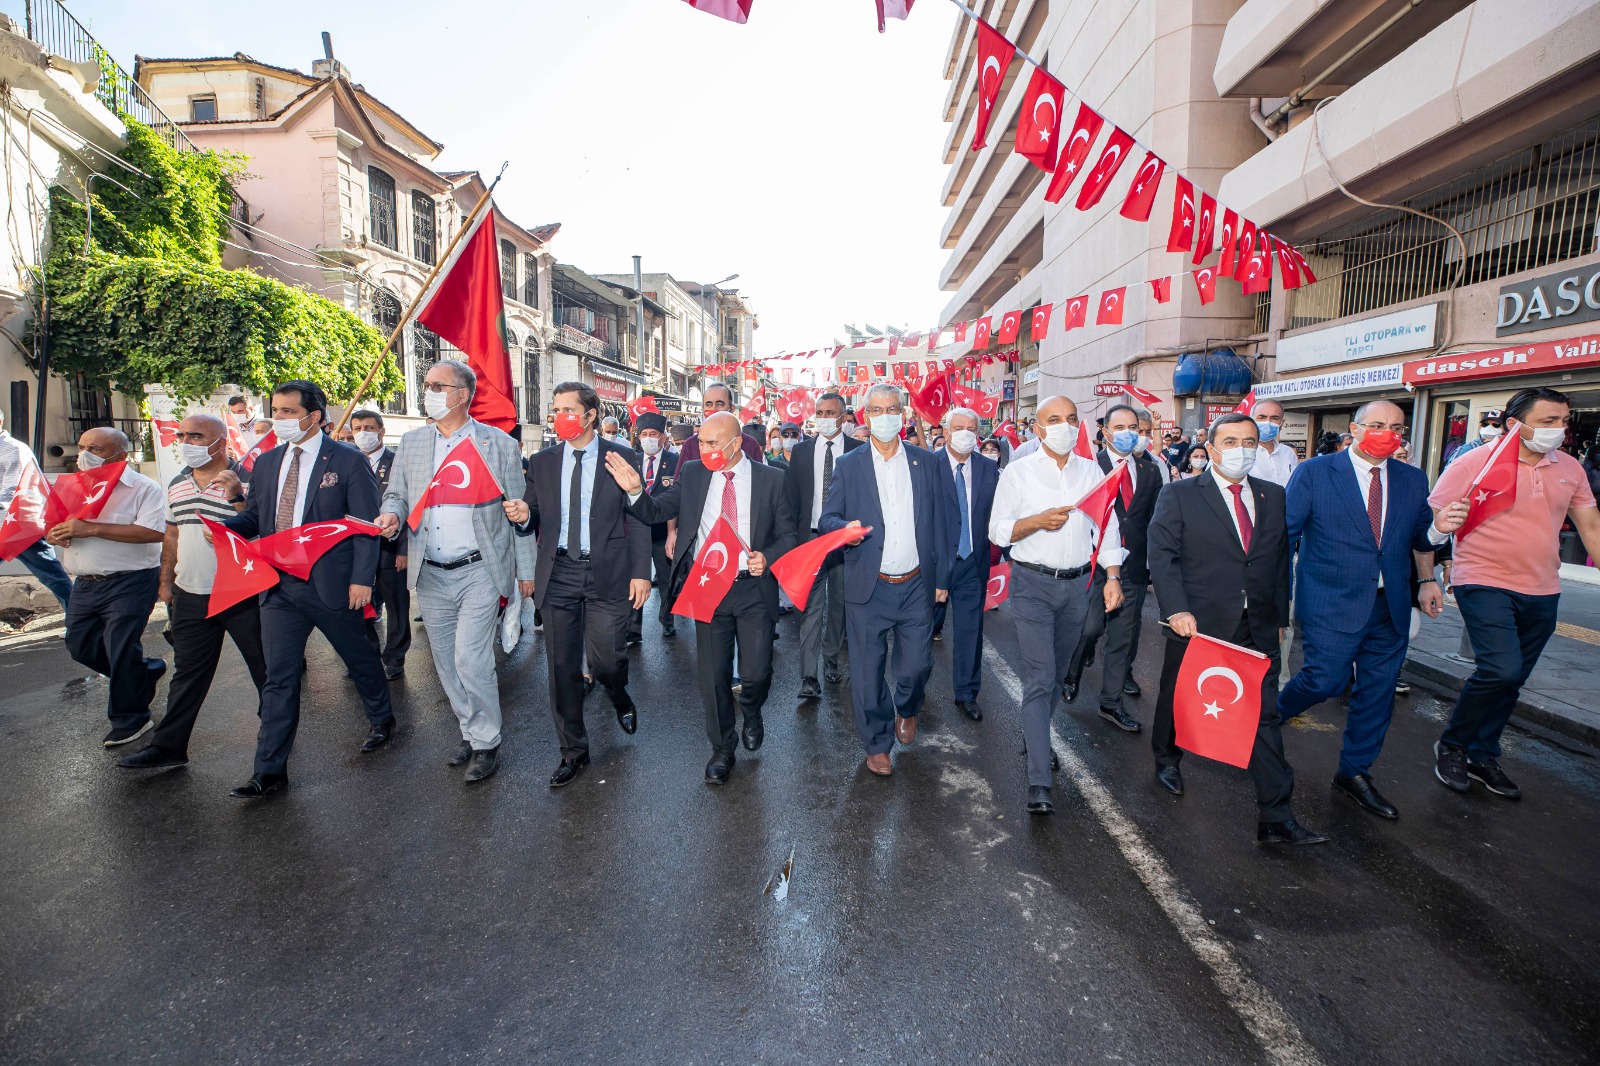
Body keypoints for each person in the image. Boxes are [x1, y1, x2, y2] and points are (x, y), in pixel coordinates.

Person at [1276, 401, 1463, 820]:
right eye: (1377, 425)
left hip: (1390, 605)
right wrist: (1274, 598)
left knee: (1377, 695)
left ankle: (1354, 773)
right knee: (1323, 680)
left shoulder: (1413, 479)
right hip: (1330, 601)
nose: (1387, 433)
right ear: (1356, 429)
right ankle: (1270, 718)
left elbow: (1419, 536)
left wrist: (1435, 542)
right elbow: (1284, 537)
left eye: (1396, 427)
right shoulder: (1315, 473)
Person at [1146, 413, 1326, 845]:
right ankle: (1167, 757)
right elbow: (1163, 556)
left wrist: (1280, 616)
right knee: (1179, 695)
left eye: (1249, 440)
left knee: (1264, 715)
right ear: (1210, 448)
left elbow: (1279, 559)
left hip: (1257, 623)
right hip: (1199, 623)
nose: (1242, 448)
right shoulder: (1180, 494)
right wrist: (1176, 610)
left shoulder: (1272, 495)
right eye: (1230, 441)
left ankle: (1276, 815)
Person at [222, 380, 394, 798]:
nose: (277, 419)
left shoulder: (349, 461)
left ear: (314, 416)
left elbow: (365, 527)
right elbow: (258, 520)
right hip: (278, 588)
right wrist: (226, 525)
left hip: (332, 585)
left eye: (286, 412)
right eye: (275, 410)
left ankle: (382, 719)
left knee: (360, 658)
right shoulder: (266, 463)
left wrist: (361, 580)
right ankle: (270, 769)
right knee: (279, 677)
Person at [1429, 387, 1600, 799]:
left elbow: (1590, 528)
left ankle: (1482, 753)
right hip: (1483, 578)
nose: (1558, 431)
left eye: (1563, 422)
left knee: (1514, 678)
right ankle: (1452, 745)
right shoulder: (1475, 462)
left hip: (1543, 586)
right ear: (1513, 424)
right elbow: (1438, 515)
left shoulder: (1570, 469)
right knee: (1500, 669)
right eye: (1547, 422)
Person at [608, 412, 797, 783]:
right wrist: (634, 491)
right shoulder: (693, 473)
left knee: (757, 672)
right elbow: (657, 510)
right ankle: (722, 748)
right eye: (703, 441)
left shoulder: (772, 479)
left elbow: (789, 535)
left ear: (736, 443)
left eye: (713, 443)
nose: (705, 449)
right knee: (713, 674)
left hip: (753, 588)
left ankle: (753, 708)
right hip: (709, 583)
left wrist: (768, 557)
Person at [376, 361, 534, 784]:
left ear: (462, 395)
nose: (427, 391)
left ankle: (486, 742)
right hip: (430, 571)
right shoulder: (411, 443)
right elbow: (396, 494)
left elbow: (517, 510)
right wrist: (391, 515)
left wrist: (526, 571)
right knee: (446, 661)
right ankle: (470, 728)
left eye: (436, 385)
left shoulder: (496, 444)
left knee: (471, 657)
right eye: (425, 384)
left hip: (480, 568)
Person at [990, 396, 1125, 815]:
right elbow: (998, 531)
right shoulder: (1018, 472)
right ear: (1038, 428)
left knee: (1055, 675)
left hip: (1078, 586)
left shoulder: (1091, 471)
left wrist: (1113, 576)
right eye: (1054, 419)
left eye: (1070, 419)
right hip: (1031, 583)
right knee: (1040, 676)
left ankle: (1036, 735)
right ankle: (1038, 781)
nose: (1064, 426)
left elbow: (1107, 526)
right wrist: (1036, 521)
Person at [518, 381, 652, 788]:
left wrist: (641, 571)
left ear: (590, 414)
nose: (560, 417)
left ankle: (618, 693)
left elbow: (638, 515)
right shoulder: (541, 462)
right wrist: (524, 514)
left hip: (606, 572)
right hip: (558, 572)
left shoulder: (622, 457)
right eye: (555, 409)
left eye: (568, 409)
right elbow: (533, 514)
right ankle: (573, 751)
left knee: (606, 660)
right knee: (561, 668)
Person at [119, 414, 267, 769]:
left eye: (196, 436)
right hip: (190, 593)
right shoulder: (177, 483)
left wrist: (237, 496)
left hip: (241, 592)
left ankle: (275, 734)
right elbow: (172, 533)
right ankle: (168, 747)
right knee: (187, 673)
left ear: (220, 442)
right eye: (182, 435)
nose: (186, 442)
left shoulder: (250, 478)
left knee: (267, 669)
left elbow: (262, 527)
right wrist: (166, 580)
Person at [818, 383, 949, 778]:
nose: (886, 415)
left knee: (915, 667)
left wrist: (942, 576)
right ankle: (877, 743)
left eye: (893, 408)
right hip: (868, 585)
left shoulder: (925, 462)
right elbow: (827, 520)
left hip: (915, 585)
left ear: (904, 414)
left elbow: (942, 522)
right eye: (876, 409)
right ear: (865, 416)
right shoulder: (850, 465)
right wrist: (846, 528)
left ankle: (907, 708)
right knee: (867, 672)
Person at [48, 428, 166, 747]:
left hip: (131, 580)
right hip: (85, 583)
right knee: (80, 645)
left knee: (120, 646)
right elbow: (54, 528)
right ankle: (143, 673)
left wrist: (93, 528)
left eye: (96, 449)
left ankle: (131, 718)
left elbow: (154, 532)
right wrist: (56, 535)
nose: (85, 454)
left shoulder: (144, 488)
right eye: (83, 447)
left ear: (120, 455)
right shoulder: (71, 487)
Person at [1063, 404, 1162, 732]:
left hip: (1132, 568)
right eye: (1119, 427)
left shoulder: (1150, 470)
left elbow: (1153, 521)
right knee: (1090, 629)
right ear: (1105, 433)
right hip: (1094, 567)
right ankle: (1072, 671)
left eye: (1133, 427)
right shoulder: (1089, 466)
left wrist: (1153, 565)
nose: (1128, 433)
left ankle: (1111, 703)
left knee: (1122, 639)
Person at [784, 391, 863, 698]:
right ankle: (808, 675)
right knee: (810, 606)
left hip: (844, 540)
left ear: (844, 418)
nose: (825, 418)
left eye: (831, 413)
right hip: (811, 538)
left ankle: (831, 657)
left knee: (840, 603)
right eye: (820, 412)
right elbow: (791, 499)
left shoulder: (858, 450)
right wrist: (792, 540)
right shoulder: (802, 452)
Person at [931, 407, 998, 721]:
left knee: (970, 630)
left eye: (972, 428)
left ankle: (967, 693)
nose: (966, 433)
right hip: (934, 564)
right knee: (919, 630)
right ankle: (911, 691)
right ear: (946, 432)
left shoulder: (988, 468)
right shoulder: (928, 466)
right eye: (959, 427)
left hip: (973, 561)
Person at [349, 409, 409, 680]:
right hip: (356, 550)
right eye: (358, 427)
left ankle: (395, 657)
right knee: (359, 605)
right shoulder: (346, 463)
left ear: (381, 432)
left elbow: (410, 507)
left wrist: (404, 549)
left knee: (397, 606)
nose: (363, 433)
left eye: (369, 427)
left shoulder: (398, 463)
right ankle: (367, 655)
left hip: (389, 549)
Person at [0, 410, 72, 610]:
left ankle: (79, 619)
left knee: (51, 574)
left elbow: (13, 488)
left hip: (19, 523)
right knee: (51, 573)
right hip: (7, 522)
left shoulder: (13, 448)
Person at [628, 411, 680, 641]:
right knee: (635, 577)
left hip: (662, 531)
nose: (648, 438)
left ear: (662, 436)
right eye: (644, 434)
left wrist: (672, 532)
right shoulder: (631, 459)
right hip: (636, 529)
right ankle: (633, 628)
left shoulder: (676, 462)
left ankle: (667, 619)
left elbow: (676, 500)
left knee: (666, 578)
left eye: (653, 434)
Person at [678, 385, 765, 465]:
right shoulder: (690, 445)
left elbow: (758, 477)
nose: (714, 409)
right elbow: (680, 480)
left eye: (719, 404)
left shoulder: (750, 444)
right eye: (708, 404)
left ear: (731, 408)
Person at [1250, 400, 1298, 487]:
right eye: (1262, 417)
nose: (1268, 422)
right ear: (1251, 420)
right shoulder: (1243, 452)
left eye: (1274, 418)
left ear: (1282, 423)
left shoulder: (1289, 453)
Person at [1135, 410, 1171, 484]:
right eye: (1139, 431)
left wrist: (1157, 426)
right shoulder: (1118, 461)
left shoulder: (1157, 463)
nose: (1144, 436)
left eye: (1148, 432)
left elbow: (1163, 492)